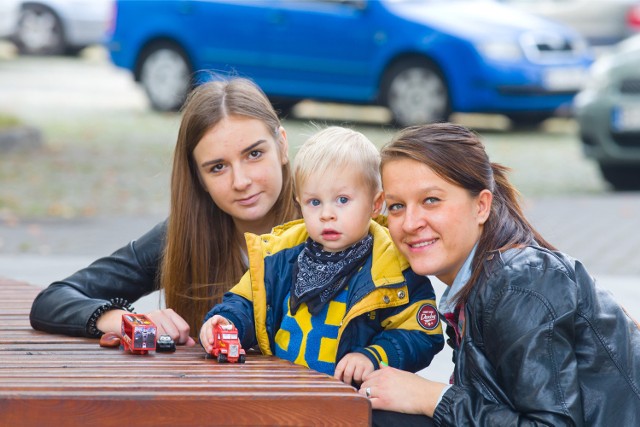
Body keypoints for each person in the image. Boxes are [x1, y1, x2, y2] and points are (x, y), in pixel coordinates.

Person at [359, 122, 640, 426]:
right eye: (397, 206)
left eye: (431, 200)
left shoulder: (518, 284)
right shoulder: (480, 280)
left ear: (481, 206)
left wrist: (433, 398)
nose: (410, 222)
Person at [29, 77, 299, 346]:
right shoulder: (185, 235)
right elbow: (53, 299)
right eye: (217, 167)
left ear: (282, 145)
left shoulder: (332, 223)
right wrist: (125, 322)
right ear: (199, 179)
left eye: (254, 154)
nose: (240, 181)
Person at [200, 126, 444, 384]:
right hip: (280, 391)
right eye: (315, 202)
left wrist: (374, 356)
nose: (327, 214)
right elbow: (246, 301)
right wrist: (227, 321)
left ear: (375, 204)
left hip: (351, 402)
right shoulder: (279, 257)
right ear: (300, 203)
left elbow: (420, 335)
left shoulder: (393, 267)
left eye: (342, 200)